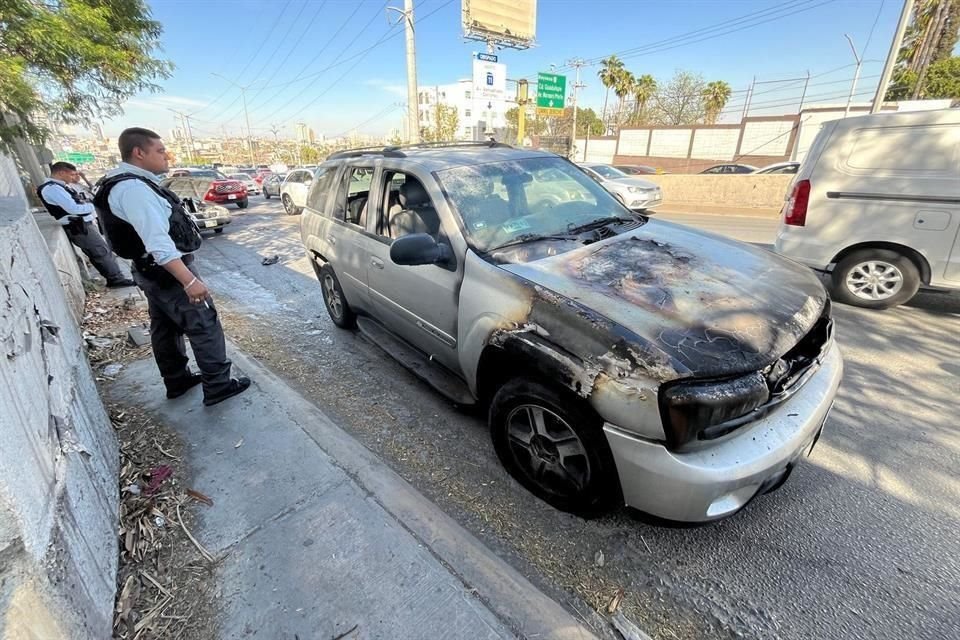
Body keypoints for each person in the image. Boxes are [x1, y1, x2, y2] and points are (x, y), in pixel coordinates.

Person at [93, 127, 250, 406]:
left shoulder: (121, 182)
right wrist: (188, 280)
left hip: (150, 271)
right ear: (139, 153)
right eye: (160, 150)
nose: (167, 156)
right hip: (166, 271)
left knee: (165, 327)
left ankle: (177, 380)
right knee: (204, 323)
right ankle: (218, 385)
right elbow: (158, 243)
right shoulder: (132, 189)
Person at [36, 162, 135, 288]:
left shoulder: (60, 187)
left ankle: (115, 278)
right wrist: (93, 205)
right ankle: (116, 279)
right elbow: (74, 209)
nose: (73, 178)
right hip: (78, 226)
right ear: (61, 173)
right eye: (71, 175)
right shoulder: (52, 189)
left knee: (101, 251)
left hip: (81, 224)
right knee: (100, 252)